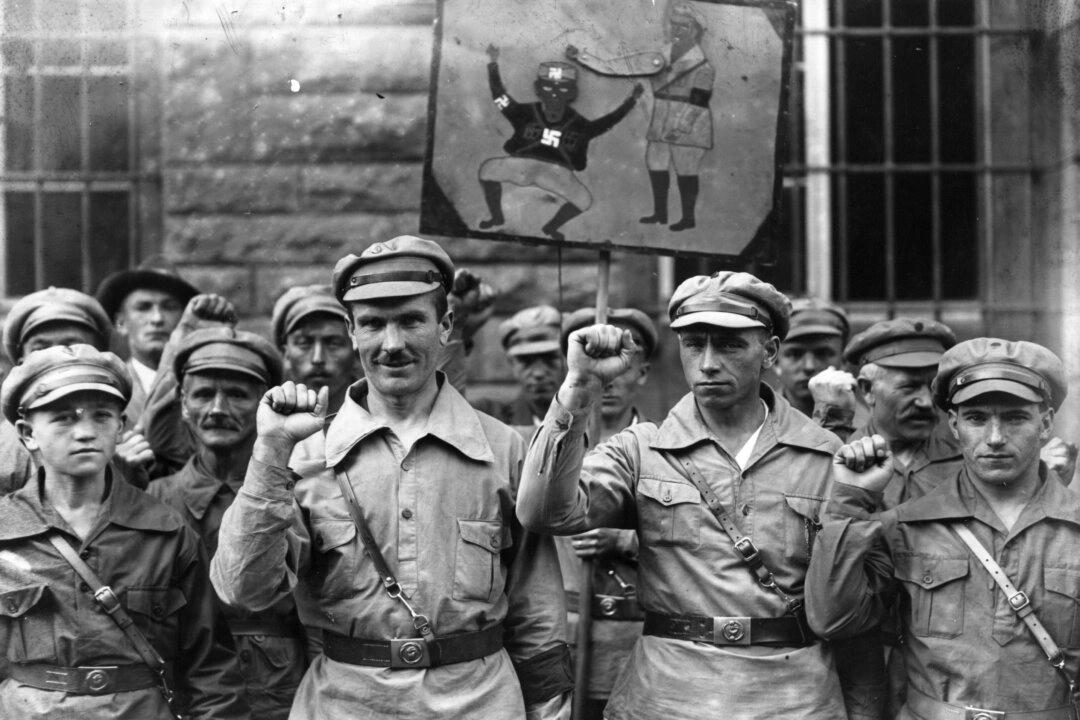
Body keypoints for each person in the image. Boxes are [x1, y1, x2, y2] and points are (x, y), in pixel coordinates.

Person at [210, 235, 573, 719]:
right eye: (374, 325)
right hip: (347, 705)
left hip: (479, 704)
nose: (392, 344)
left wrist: (549, 711)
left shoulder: (503, 449)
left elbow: (538, 611)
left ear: (444, 326)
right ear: (351, 330)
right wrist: (271, 451)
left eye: (411, 321)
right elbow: (242, 589)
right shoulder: (305, 455)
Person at [518, 271, 849, 719]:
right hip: (669, 698)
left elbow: (851, 607)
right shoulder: (642, 449)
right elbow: (544, 514)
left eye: (730, 344)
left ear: (769, 351)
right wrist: (579, 387)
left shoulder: (824, 454)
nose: (709, 362)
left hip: (791, 698)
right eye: (694, 344)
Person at [807, 337, 1080, 719]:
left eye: (1015, 417)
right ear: (953, 424)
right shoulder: (907, 524)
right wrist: (850, 500)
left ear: (1046, 422)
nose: (995, 437)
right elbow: (832, 619)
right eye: (976, 418)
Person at [0, 344, 248, 719]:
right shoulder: (4, 530)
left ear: (121, 427)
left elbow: (210, 670)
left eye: (102, 416)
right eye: (64, 418)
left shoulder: (166, 531)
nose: (85, 432)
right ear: (27, 432)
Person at [148, 327, 305, 719]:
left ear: (263, 405)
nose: (217, 408)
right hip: (177, 686)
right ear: (183, 403)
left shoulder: (296, 496)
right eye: (202, 394)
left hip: (278, 690)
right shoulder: (150, 501)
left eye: (237, 395)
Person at [556, 307, 656, 719]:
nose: (609, 378)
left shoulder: (663, 448)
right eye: (597, 361)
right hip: (562, 637)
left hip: (632, 640)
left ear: (643, 373)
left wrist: (628, 540)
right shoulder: (551, 445)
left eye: (623, 364)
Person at [479, 45, 644, 241]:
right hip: (522, 166)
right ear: (538, 89)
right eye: (549, 87)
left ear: (571, 93)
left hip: (557, 173)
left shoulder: (578, 123)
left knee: (584, 200)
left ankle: (550, 228)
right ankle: (497, 217)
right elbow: (500, 98)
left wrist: (631, 101)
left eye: (562, 89)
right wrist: (492, 63)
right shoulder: (526, 112)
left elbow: (606, 123)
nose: (555, 93)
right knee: (487, 170)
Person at [0, 287, 125, 494]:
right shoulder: (3, 448)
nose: (56, 358)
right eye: (40, 349)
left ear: (98, 357)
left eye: (71, 347)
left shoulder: (124, 432)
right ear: (21, 363)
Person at [637, 2, 715, 231]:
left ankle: (688, 218)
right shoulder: (661, 55)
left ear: (695, 30)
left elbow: (699, 101)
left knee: (686, 167)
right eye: (674, 24)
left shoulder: (703, 65)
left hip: (690, 122)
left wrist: (681, 127)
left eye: (684, 26)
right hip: (661, 117)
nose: (677, 30)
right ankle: (660, 213)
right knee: (655, 161)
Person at [95, 257, 200, 421]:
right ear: (121, 323)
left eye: (169, 307)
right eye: (143, 307)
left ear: (183, 320)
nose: (157, 318)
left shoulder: (200, 387)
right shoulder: (107, 388)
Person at [476, 305, 567, 429]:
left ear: (569, 358)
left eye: (549, 358)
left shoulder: (595, 417)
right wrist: (457, 332)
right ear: (511, 363)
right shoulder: (492, 418)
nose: (538, 373)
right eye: (526, 361)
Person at [271, 285, 356, 415]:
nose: (318, 359)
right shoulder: (267, 420)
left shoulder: (380, 419)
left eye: (334, 343)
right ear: (285, 354)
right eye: (303, 343)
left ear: (355, 350)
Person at [776, 297, 850, 419]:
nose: (809, 366)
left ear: (843, 361)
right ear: (776, 362)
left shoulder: (871, 429)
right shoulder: (753, 423)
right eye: (795, 354)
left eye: (822, 353)